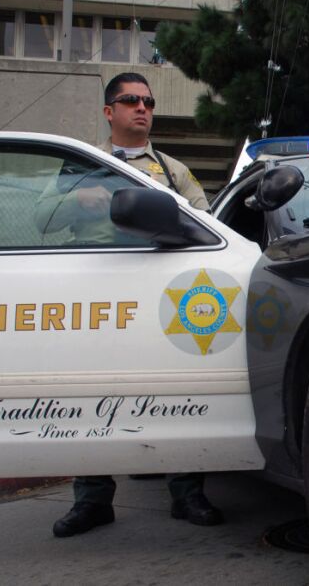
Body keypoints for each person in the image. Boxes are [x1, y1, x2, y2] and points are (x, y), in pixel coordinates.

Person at [51, 72, 223, 538]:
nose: (142, 108)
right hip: (94, 302)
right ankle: (92, 501)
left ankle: (187, 494)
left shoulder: (173, 170)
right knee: (90, 398)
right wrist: (75, 202)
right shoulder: (80, 166)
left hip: (159, 297)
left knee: (176, 394)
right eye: (130, 101)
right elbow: (40, 219)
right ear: (110, 112)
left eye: (147, 101)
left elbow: (207, 224)